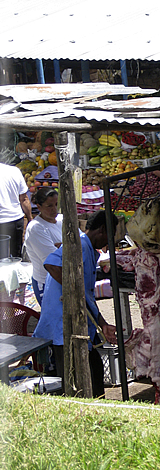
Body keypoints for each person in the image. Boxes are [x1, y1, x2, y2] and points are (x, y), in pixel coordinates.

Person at [33, 210, 118, 398]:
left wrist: (103, 324)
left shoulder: (89, 250)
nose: (108, 242)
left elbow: (87, 297)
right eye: (109, 236)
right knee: (74, 385)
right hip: (63, 328)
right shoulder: (78, 244)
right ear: (102, 230)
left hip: (79, 326)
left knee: (94, 374)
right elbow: (51, 264)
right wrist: (73, 291)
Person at [24, 187, 63, 305]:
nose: (54, 209)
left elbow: (81, 241)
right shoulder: (36, 228)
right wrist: (68, 246)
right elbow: (53, 261)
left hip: (63, 278)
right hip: (47, 283)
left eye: (56, 204)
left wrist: (61, 247)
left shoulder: (62, 219)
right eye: (49, 206)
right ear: (39, 207)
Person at [0, 162, 32, 258]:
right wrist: (30, 219)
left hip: (9, 220)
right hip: (15, 220)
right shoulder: (14, 171)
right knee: (15, 256)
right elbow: (24, 199)